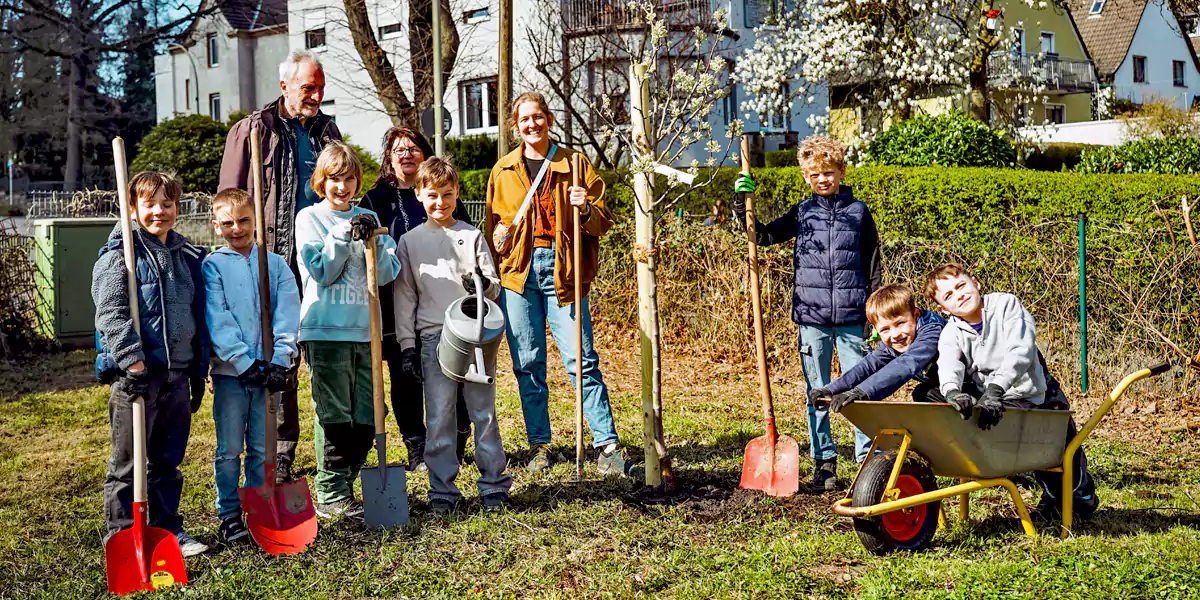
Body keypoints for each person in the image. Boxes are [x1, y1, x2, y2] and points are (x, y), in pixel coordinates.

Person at [485, 91, 634, 476]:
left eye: (537, 116)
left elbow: (602, 222)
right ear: (515, 127)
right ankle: (540, 446)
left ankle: (606, 445)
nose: (531, 124)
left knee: (581, 360)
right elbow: (492, 231)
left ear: (549, 119)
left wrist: (585, 207)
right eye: (523, 120)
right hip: (518, 275)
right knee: (528, 363)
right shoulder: (502, 171)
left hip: (564, 271)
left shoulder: (576, 164)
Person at [732, 135, 882, 490]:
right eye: (814, 174)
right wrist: (742, 203)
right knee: (817, 391)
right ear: (805, 176)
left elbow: (873, 262)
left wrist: (875, 315)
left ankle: (865, 460)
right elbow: (763, 236)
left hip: (852, 318)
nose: (822, 180)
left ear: (841, 171)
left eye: (829, 172)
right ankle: (825, 465)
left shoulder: (859, 212)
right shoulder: (803, 213)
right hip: (812, 319)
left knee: (859, 391)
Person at [220, 49, 342, 482]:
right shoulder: (253, 130)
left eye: (321, 87)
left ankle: (335, 447)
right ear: (284, 85)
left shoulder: (328, 131)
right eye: (309, 87)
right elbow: (229, 198)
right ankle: (282, 449)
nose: (316, 95)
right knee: (281, 355)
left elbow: (342, 183)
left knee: (323, 351)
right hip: (274, 259)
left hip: (323, 258)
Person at [92, 172, 211, 556]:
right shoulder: (119, 256)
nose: (159, 211)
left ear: (177, 207)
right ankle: (123, 535)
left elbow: (195, 313)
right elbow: (110, 314)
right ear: (132, 208)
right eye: (150, 204)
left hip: (177, 374)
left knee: (167, 461)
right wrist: (133, 364)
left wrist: (196, 370)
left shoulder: (185, 254)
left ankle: (166, 528)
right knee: (128, 464)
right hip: (138, 378)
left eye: (167, 203)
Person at [925, 262, 1099, 521]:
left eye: (961, 285)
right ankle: (1050, 494)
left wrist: (995, 390)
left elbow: (1021, 350)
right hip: (995, 400)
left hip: (1031, 395)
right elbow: (949, 363)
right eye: (948, 295)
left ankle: (1079, 498)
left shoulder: (1005, 305)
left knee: (1058, 453)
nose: (959, 294)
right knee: (927, 393)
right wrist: (951, 392)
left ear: (976, 283)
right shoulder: (952, 330)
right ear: (942, 308)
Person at [394, 156, 513, 514]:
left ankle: (494, 485)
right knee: (440, 415)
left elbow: (493, 285)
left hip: (474, 336)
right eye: (432, 195)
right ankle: (442, 491)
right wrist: (407, 346)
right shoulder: (410, 242)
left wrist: (479, 285)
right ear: (419, 195)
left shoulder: (471, 235)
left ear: (457, 193)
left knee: (483, 413)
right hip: (433, 338)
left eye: (447, 195)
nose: (440, 203)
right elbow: (405, 297)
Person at [294, 141, 400, 519]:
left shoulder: (369, 214)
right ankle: (331, 492)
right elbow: (322, 272)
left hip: (366, 331)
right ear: (322, 181)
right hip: (325, 330)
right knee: (335, 414)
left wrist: (378, 243)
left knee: (369, 414)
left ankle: (347, 481)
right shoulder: (309, 218)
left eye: (350, 178)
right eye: (334, 179)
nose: (343, 186)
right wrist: (342, 235)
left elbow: (387, 274)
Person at [359, 127, 473, 470]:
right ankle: (416, 444)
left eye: (412, 147)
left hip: (444, 299)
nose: (405, 153)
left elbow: (463, 235)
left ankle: (456, 438)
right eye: (397, 149)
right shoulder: (374, 200)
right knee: (404, 373)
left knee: (456, 370)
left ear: (425, 154)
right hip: (396, 299)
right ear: (388, 158)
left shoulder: (437, 193)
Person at [202, 188, 301, 543]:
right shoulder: (213, 266)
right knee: (229, 448)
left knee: (263, 447)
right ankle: (229, 513)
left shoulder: (274, 265)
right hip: (232, 374)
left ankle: (258, 507)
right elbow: (217, 316)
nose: (237, 228)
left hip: (268, 374)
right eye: (228, 223)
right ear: (216, 226)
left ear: (256, 220)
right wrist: (242, 361)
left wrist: (279, 359)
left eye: (244, 220)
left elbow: (288, 311)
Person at [809, 285, 947, 413]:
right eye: (885, 329)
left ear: (916, 315)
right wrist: (831, 389)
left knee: (925, 393)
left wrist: (862, 392)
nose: (895, 335)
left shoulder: (932, 331)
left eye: (900, 323)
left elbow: (908, 363)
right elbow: (869, 365)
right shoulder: (894, 343)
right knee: (923, 393)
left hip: (966, 385)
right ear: (876, 330)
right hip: (947, 386)